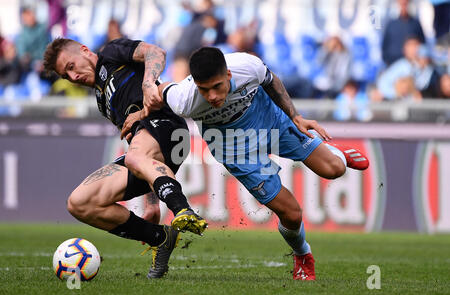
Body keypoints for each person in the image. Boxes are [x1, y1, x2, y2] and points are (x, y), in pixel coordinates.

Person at [122, 47, 370, 281]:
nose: (213, 96)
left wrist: (295, 116)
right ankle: (303, 254)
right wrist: (141, 113)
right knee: (292, 213)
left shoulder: (247, 66)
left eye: (218, 86)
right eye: (204, 90)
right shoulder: (183, 98)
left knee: (334, 169)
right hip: (233, 146)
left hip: (269, 119)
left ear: (228, 74)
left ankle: (332, 151)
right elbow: (157, 92)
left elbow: (271, 81)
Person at [43, 38, 207, 278]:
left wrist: (149, 83)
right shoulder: (101, 101)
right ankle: (160, 237)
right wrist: (151, 204)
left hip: (169, 127)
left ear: (84, 51)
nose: (74, 77)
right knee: (79, 202)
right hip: (146, 150)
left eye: (71, 66)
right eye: (66, 76)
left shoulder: (111, 54)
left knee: (133, 157)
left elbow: (156, 52)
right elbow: (139, 151)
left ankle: (182, 208)